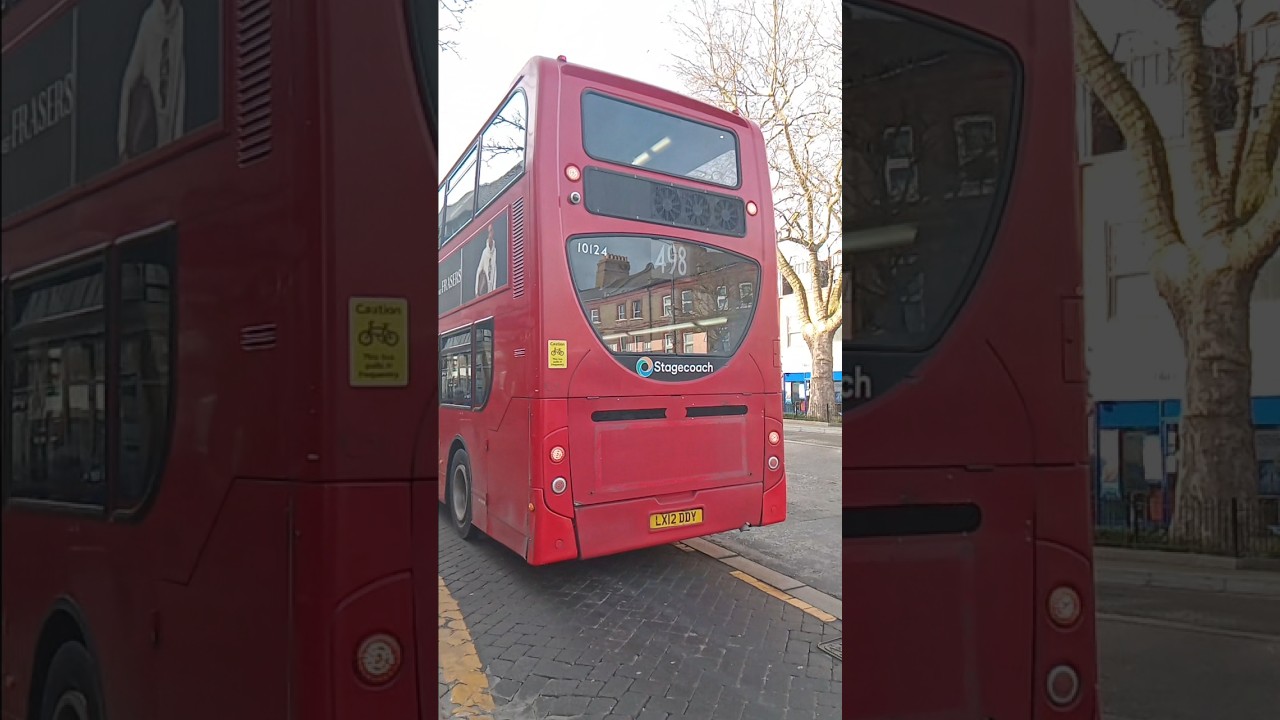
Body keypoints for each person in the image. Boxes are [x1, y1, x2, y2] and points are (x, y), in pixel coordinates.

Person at [118, 0, 186, 161]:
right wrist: (123, 145)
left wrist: (179, 139)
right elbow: (129, 82)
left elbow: (180, 82)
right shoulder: (149, 21)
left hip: (172, 143)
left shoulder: (180, 17)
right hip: (151, 142)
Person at [475, 225, 498, 296]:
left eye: (491, 231)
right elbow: (479, 271)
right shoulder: (484, 253)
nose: (490, 234)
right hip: (486, 291)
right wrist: (477, 292)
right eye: (489, 232)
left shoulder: (497, 251)